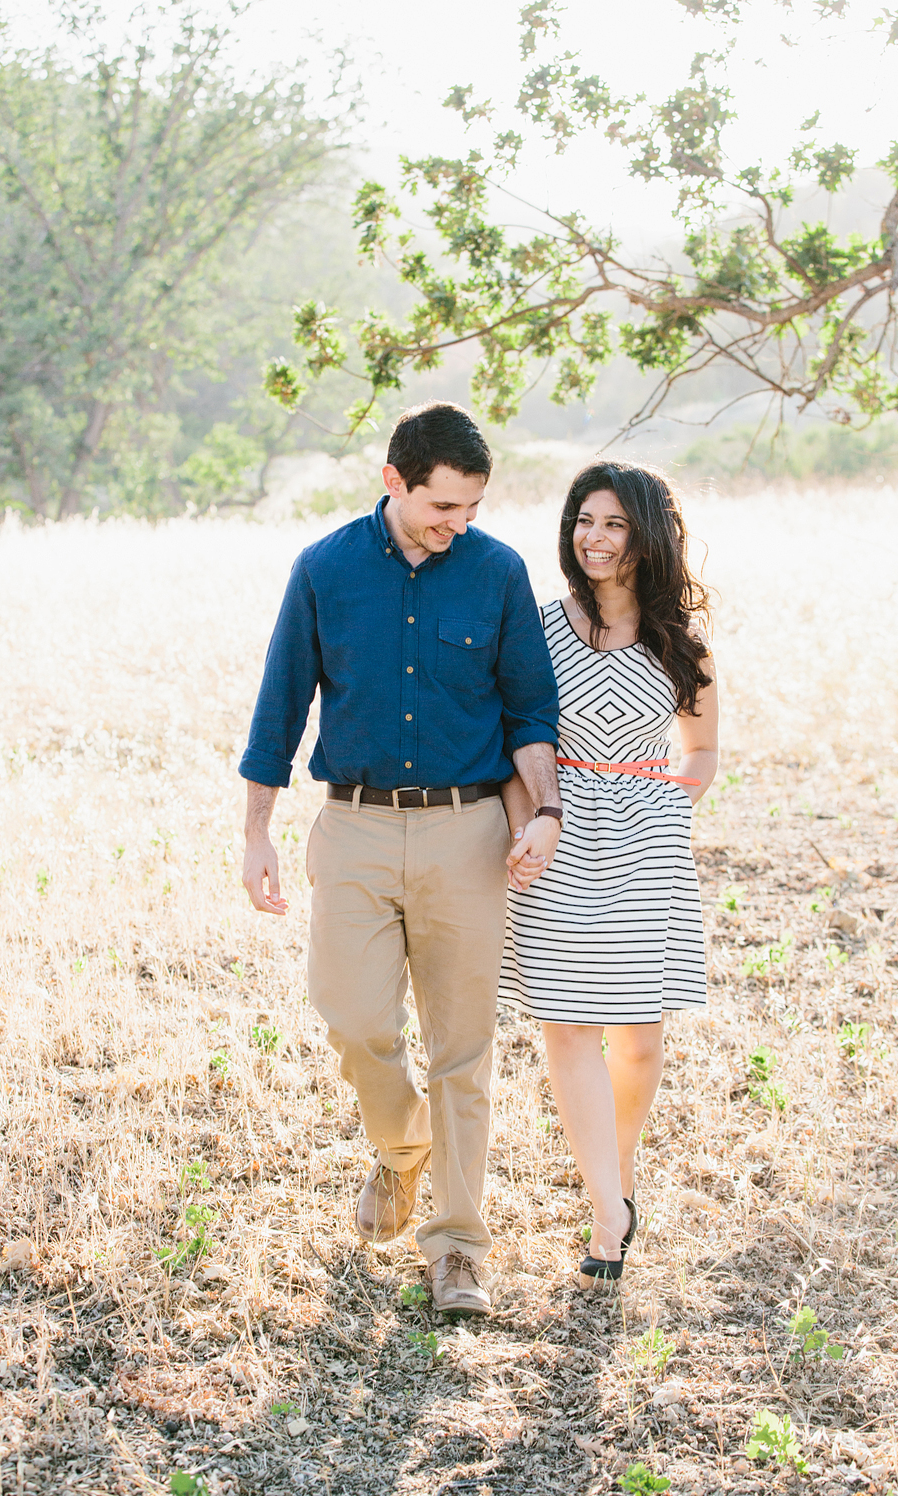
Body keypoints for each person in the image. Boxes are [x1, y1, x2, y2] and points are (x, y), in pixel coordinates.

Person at [239, 400, 562, 1319]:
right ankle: (402, 1145)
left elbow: (529, 710)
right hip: (355, 828)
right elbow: (279, 710)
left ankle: (458, 1246)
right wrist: (257, 831)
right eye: (442, 507)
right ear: (394, 481)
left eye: (471, 508)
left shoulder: (496, 572)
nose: (458, 526)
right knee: (350, 1017)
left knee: (464, 1051)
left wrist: (544, 812)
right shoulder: (325, 571)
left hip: (469, 836)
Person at [500, 461, 716, 1287]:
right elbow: (517, 732)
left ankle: (613, 1180)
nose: (594, 537)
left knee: (639, 1036)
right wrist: (530, 820)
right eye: (584, 520)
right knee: (568, 1026)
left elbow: (701, 749)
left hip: (646, 840)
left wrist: (668, 806)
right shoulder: (539, 627)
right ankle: (605, 1214)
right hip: (555, 833)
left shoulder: (678, 643)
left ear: (647, 537)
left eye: (615, 524)